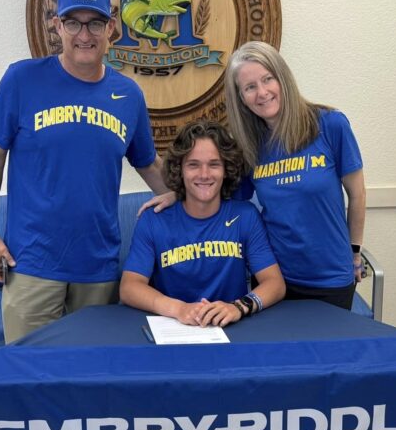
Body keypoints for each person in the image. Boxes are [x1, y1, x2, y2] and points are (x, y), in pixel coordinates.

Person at [0, 0, 171, 342]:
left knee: (92, 375)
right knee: (31, 377)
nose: (85, 34)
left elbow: (146, 162)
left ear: (111, 28)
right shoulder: (21, 80)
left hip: (97, 264)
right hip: (31, 263)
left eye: (95, 22)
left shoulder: (128, 94)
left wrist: (183, 196)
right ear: (57, 26)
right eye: (73, 22)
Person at [141, 41, 366, 310]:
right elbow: (218, 191)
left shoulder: (330, 125)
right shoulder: (250, 146)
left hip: (331, 276)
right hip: (279, 280)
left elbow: (358, 194)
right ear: (241, 98)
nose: (262, 93)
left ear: (282, 78)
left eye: (267, 79)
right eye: (249, 87)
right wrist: (178, 195)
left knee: (330, 352)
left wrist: (355, 252)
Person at [120, 120, 285, 327]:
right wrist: (179, 309)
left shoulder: (245, 216)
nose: (204, 174)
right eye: (193, 165)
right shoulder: (154, 219)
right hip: (174, 329)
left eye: (214, 164)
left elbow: (275, 283)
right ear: (179, 169)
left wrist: (238, 306)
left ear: (226, 169)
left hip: (232, 329)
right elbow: (129, 287)